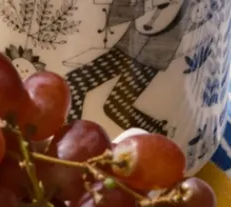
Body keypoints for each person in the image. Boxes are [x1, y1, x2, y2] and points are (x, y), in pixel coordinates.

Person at [65, 0, 187, 133]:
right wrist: (148, 5)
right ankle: (72, 138)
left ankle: (161, 134)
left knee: (116, 105)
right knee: (75, 83)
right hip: (126, 49)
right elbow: (118, 14)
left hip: (152, 56)